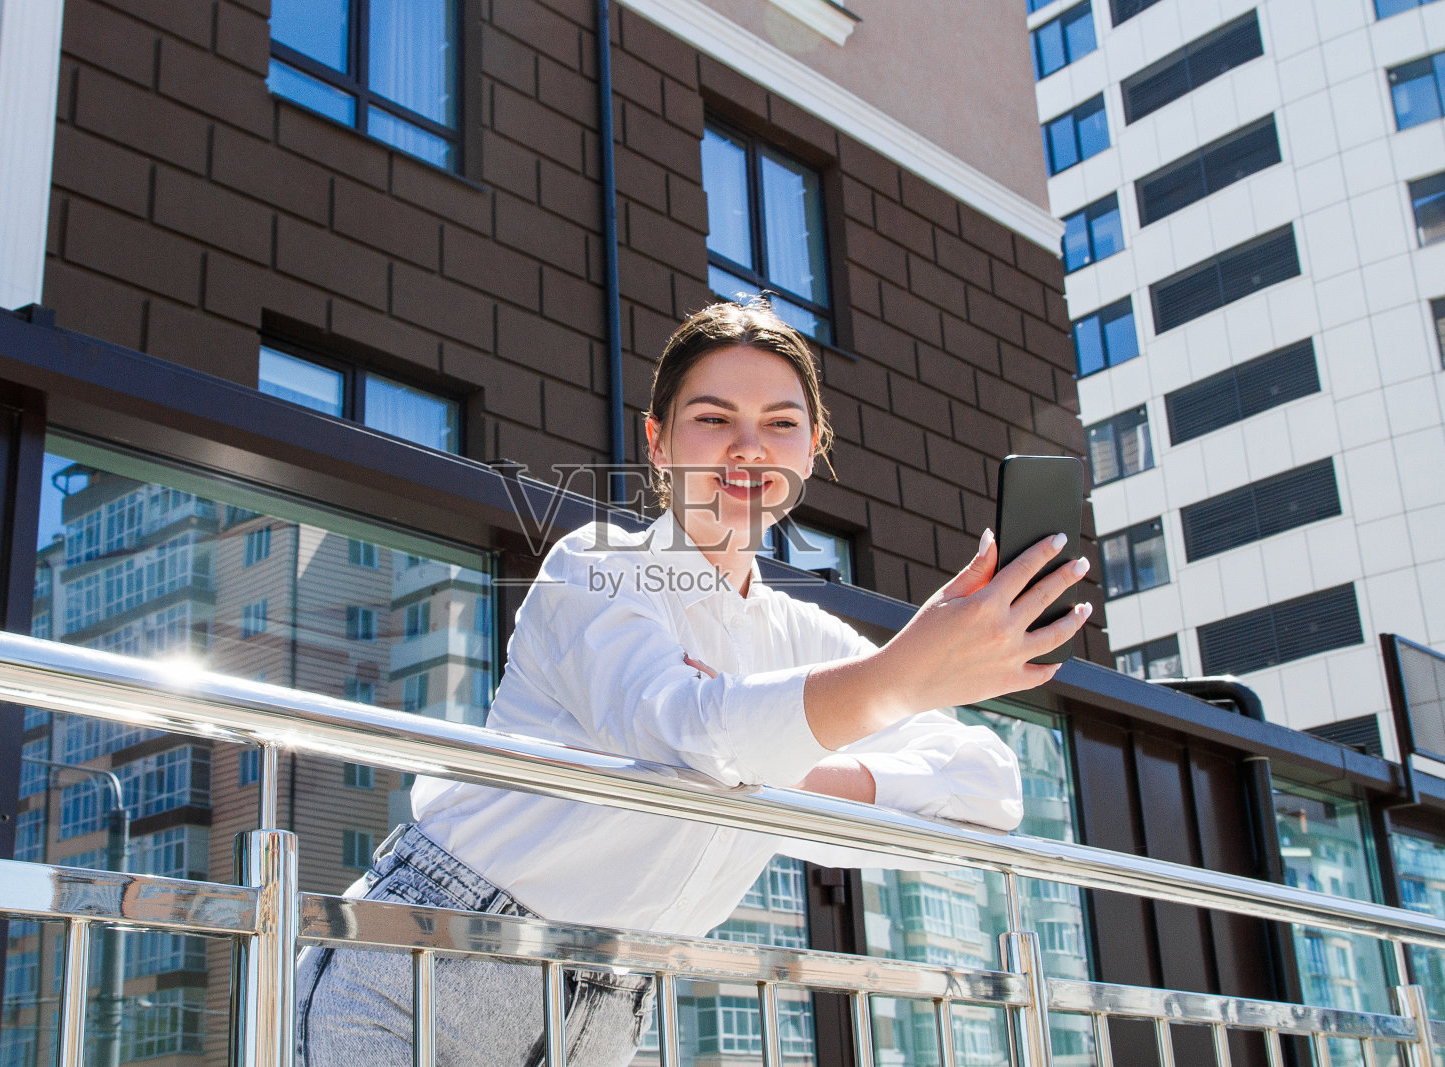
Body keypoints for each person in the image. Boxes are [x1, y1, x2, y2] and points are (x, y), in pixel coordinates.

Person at [295, 301, 1093, 1066]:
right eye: (714, 419)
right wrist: (892, 680)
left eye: (780, 424)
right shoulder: (600, 566)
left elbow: (989, 789)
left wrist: (790, 755)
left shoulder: (801, 635)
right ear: (658, 442)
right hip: (433, 959)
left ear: (811, 449)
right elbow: (684, 732)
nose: (749, 447)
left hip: (607, 998)